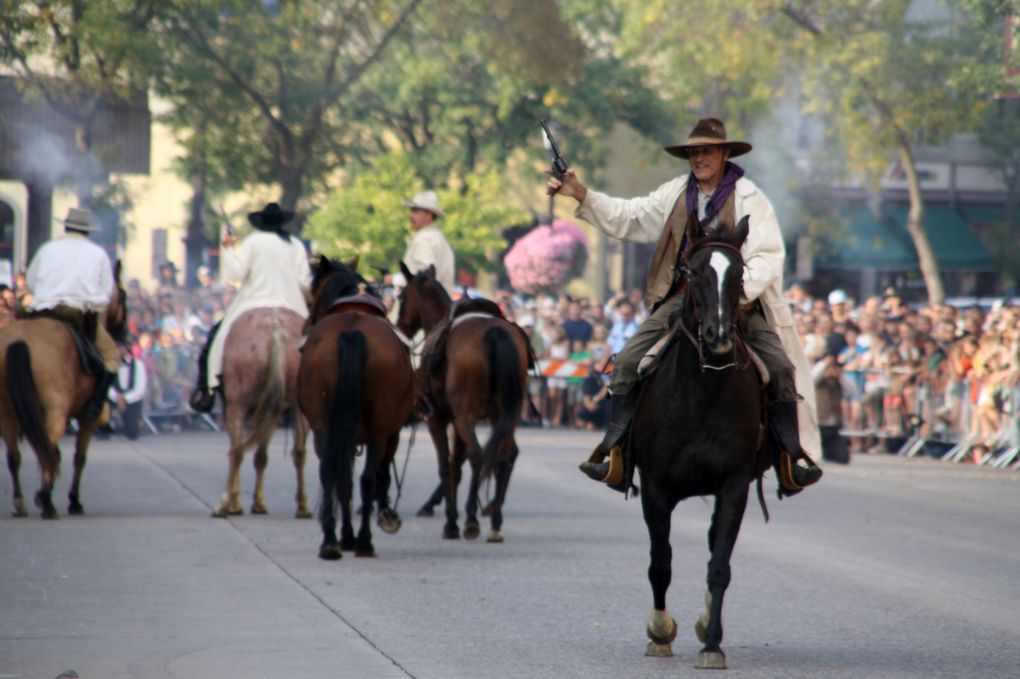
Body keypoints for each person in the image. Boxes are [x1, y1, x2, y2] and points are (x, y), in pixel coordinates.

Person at [546, 117, 822, 496]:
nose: (699, 158)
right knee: (626, 362)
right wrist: (582, 194)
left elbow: (767, 256)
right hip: (680, 299)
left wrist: (731, 295)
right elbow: (631, 217)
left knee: (779, 366)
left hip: (736, 300)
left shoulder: (750, 198)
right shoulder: (675, 192)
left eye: (706, 151)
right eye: (693, 152)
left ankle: (791, 458)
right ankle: (616, 454)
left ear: (725, 153)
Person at [188, 202, 312, 412]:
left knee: (217, 337)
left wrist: (228, 249)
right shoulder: (296, 245)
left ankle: (207, 387)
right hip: (292, 304)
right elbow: (305, 282)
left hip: (253, 301)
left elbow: (235, 274)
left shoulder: (254, 241)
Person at [24, 207, 121, 421]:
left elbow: (31, 281)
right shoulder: (98, 254)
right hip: (78, 314)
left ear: (66, 226)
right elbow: (105, 293)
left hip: (42, 311)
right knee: (112, 356)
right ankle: (95, 408)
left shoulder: (47, 249)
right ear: (87, 231)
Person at [402, 190, 455, 291]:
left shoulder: (424, 239)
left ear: (429, 216)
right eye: (412, 211)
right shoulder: (439, 239)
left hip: (423, 304)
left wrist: (395, 279)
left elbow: (424, 274)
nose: (411, 216)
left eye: (416, 212)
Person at [109, 338, 148, 440]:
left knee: (132, 433)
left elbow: (140, 390)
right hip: (114, 398)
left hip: (131, 400)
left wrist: (125, 398)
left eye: (120, 348)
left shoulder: (138, 365)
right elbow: (106, 386)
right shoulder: (111, 365)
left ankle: (129, 427)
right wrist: (117, 397)